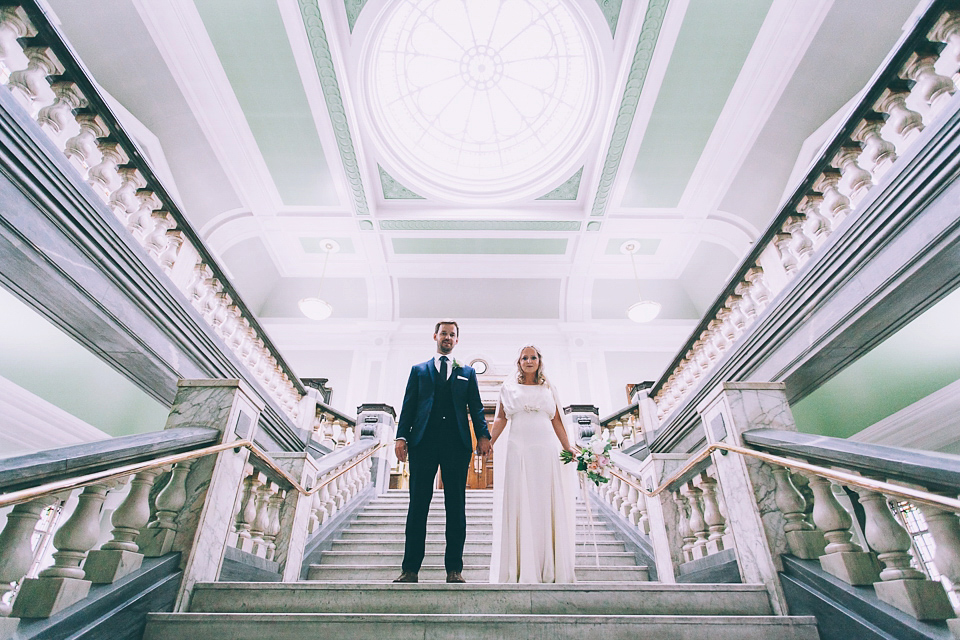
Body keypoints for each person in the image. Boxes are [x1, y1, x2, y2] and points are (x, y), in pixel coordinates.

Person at [393, 320, 492, 583]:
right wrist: (401, 437)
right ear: (435, 336)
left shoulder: (467, 372)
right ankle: (410, 569)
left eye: (452, 335)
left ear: (457, 340)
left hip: (456, 445)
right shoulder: (418, 370)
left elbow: (477, 407)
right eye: (444, 333)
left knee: (456, 507)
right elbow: (409, 405)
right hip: (423, 443)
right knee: (417, 506)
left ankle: (454, 569)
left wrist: (483, 435)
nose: (448, 338)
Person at [489, 345, 578, 583]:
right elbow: (500, 418)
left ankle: (548, 566)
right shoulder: (508, 388)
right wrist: (487, 442)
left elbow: (557, 420)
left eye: (533, 357)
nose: (529, 361)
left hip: (545, 447)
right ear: (518, 362)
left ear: (539, 361)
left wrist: (568, 446)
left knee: (543, 499)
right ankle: (519, 567)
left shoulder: (549, 388)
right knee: (520, 498)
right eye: (524, 357)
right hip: (518, 446)